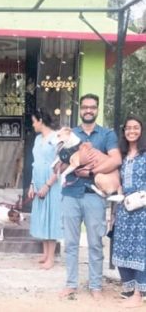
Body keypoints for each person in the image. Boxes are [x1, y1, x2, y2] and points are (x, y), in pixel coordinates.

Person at [59, 94, 121, 300]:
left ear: (97, 109)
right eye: (85, 107)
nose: (88, 110)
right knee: (70, 243)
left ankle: (95, 285)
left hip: (94, 197)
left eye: (92, 107)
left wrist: (92, 173)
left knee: (95, 242)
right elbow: (60, 163)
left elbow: (115, 160)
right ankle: (71, 284)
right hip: (70, 195)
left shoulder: (106, 135)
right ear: (80, 109)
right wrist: (73, 166)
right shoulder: (70, 134)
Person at [112, 115, 146, 308]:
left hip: (143, 209)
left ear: (141, 131)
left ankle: (139, 293)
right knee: (122, 247)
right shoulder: (122, 155)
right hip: (124, 207)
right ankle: (129, 287)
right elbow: (118, 180)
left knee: (141, 249)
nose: (131, 131)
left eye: (136, 128)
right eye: (128, 128)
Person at [27, 108, 62, 269]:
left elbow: (60, 164)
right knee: (41, 215)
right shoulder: (36, 139)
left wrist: (48, 184)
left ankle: (51, 257)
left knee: (51, 216)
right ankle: (45, 253)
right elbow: (35, 163)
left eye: (34, 121)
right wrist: (33, 184)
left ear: (40, 121)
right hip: (38, 178)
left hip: (52, 181)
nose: (33, 125)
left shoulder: (56, 137)